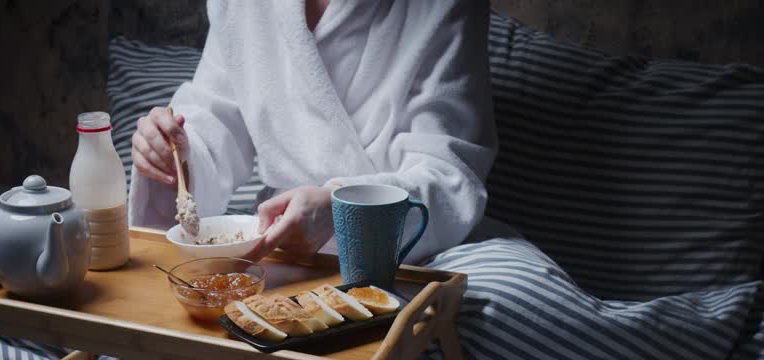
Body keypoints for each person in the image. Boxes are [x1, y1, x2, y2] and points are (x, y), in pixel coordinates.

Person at [128, 0, 498, 264]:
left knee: (522, 297)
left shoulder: (443, 6)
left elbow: (448, 172)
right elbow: (215, 117)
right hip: (280, 237)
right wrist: (174, 149)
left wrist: (343, 209)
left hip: (417, 237)